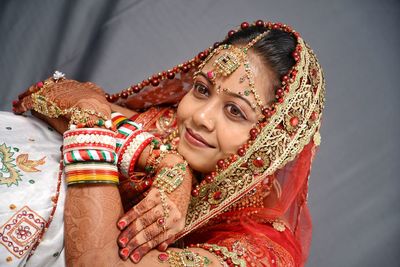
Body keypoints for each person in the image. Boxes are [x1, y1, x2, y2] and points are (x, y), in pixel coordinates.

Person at [3, 20, 325, 266]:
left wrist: (92, 128)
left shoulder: (259, 253)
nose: (201, 116)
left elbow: (97, 264)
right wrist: (168, 164)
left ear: (274, 142)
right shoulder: (169, 128)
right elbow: (47, 96)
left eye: (235, 111)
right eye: (201, 90)